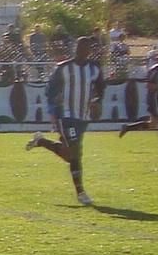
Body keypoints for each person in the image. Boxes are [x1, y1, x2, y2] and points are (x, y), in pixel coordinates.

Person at [28, 34, 103, 205]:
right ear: (75, 49)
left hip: (83, 117)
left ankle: (41, 142)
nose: (81, 51)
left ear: (89, 51)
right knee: (76, 153)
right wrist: (54, 107)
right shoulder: (63, 68)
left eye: (85, 48)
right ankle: (81, 192)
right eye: (79, 48)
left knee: (70, 154)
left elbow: (100, 87)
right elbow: (50, 90)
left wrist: (96, 102)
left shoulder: (94, 69)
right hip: (66, 115)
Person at [120, 44, 158, 153]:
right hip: (155, 98)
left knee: (153, 123)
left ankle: (128, 127)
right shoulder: (156, 70)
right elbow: (149, 86)